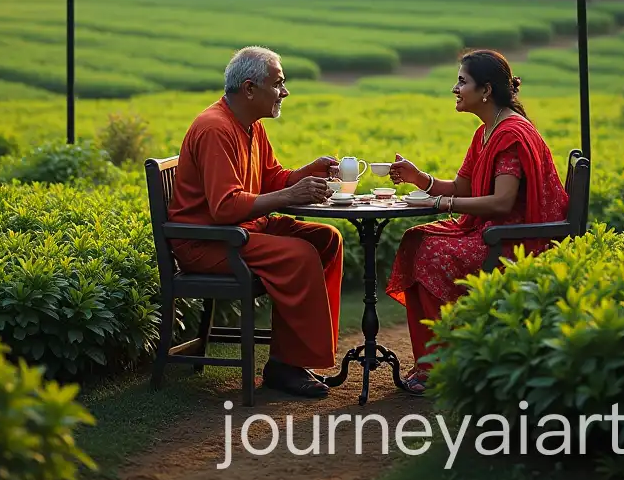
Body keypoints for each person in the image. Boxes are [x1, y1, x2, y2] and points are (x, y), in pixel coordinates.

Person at [386, 49, 569, 395]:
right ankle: (437, 361)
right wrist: (418, 178)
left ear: (485, 90)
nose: (455, 88)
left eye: (461, 81)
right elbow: (462, 187)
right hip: (488, 231)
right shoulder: (486, 131)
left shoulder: (510, 134)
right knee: (416, 240)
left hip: (512, 240)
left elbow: (501, 203)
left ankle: (444, 366)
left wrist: (443, 203)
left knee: (429, 252)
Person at [168, 46, 343, 398]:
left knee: (327, 239)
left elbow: (271, 178)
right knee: (300, 255)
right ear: (249, 89)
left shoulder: (250, 125)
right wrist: (289, 197)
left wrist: (305, 174)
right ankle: (284, 366)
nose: (285, 91)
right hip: (208, 242)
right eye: (279, 83)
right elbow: (224, 207)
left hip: (239, 232)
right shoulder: (216, 128)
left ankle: (296, 356)